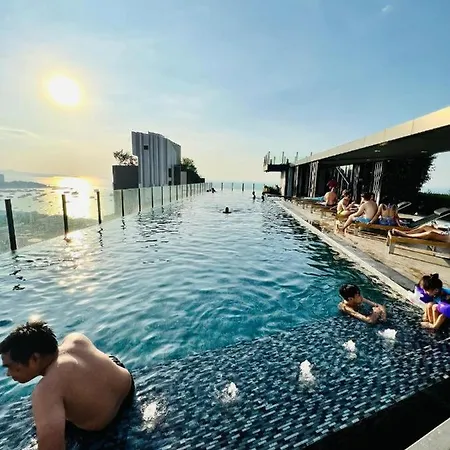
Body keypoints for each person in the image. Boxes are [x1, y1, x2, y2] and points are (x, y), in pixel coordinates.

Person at [0, 321, 134, 449]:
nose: (8, 373)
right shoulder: (76, 338)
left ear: (34, 358)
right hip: (127, 389)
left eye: (10, 366)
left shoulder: (46, 391)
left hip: (105, 423)